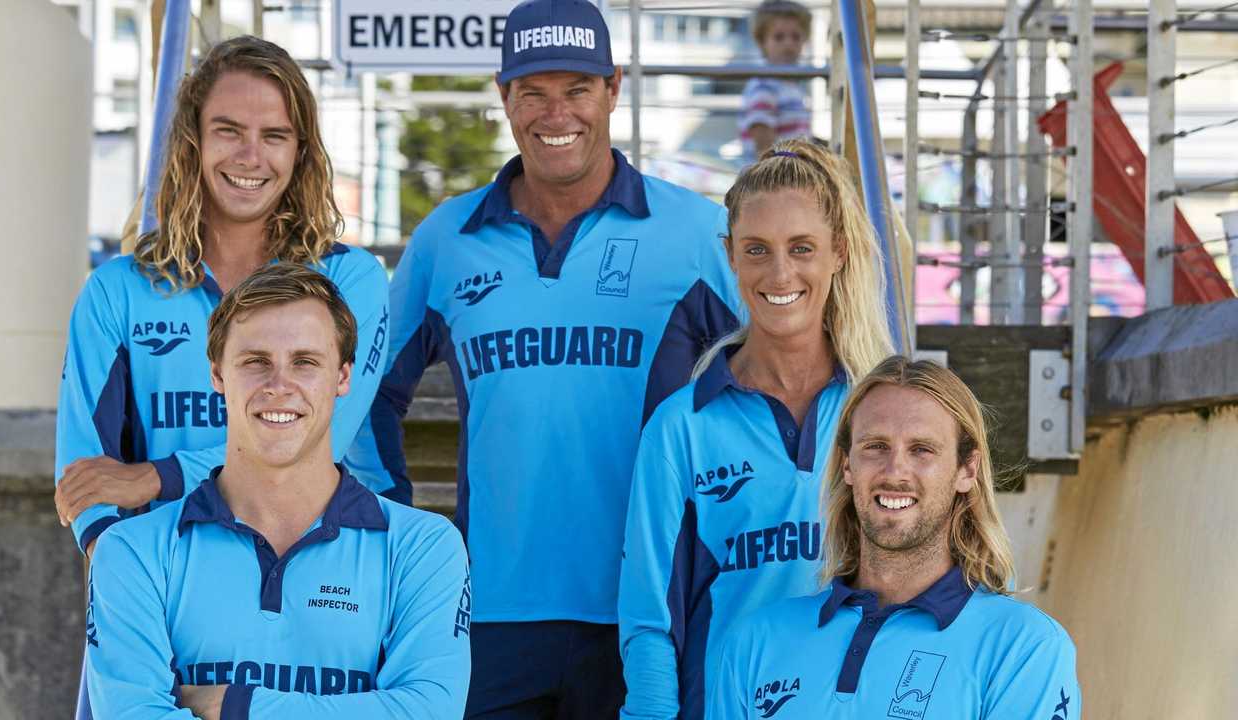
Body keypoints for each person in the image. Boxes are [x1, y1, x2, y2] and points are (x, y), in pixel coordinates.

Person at [343, 0, 743, 715]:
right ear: (504, 97)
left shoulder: (696, 234)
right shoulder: (448, 238)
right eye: (533, 92)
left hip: (648, 610)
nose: (555, 113)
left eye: (577, 89)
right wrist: (394, 529)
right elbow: (366, 394)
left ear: (614, 89)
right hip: (489, 614)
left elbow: (791, 373)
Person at [54, 35, 394, 560]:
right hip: (162, 572)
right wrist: (126, 582)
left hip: (313, 571)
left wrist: (155, 477)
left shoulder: (350, 282)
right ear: (193, 140)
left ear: (300, 152)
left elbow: (314, 444)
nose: (251, 157)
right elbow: (86, 482)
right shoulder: (117, 291)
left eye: (275, 135)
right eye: (228, 131)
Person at [85, 263, 471, 720]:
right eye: (255, 362)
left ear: (344, 377)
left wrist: (236, 705)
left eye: (305, 362)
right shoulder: (133, 551)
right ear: (217, 375)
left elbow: (429, 711)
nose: (279, 386)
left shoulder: (422, 547)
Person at [617, 139, 893, 720]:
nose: (780, 272)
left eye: (801, 248)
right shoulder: (681, 427)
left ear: (837, 253)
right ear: (730, 256)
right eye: (757, 250)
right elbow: (650, 620)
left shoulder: (885, 410)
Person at [708, 357, 1081, 719]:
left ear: (967, 470)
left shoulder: (1023, 648)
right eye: (875, 446)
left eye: (921, 449)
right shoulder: (755, 643)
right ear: (847, 465)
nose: (895, 470)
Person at [738, 0, 813, 160]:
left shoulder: (792, 85)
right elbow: (763, 144)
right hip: (772, 176)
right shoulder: (763, 85)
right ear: (762, 43)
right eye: (779, 37)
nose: (788, 44)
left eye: (796, 37)